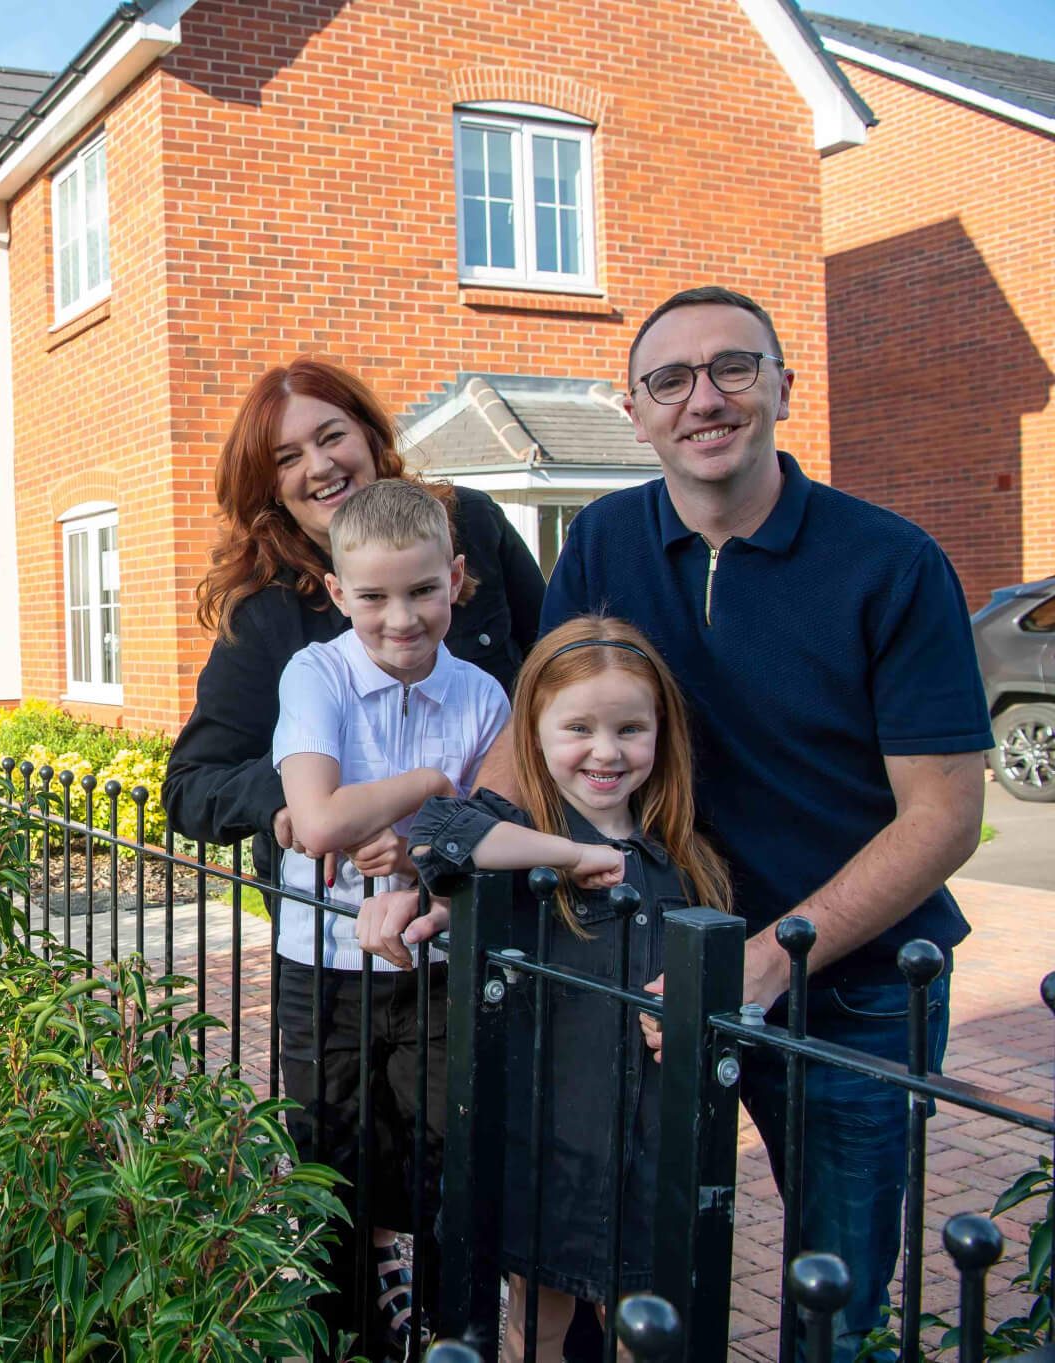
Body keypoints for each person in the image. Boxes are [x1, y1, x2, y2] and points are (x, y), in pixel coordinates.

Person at [535, 286, 990, 1360]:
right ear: (634, 413)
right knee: (632, 1260)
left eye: (732, 367)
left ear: (782, 385)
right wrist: (440, 859)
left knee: (834, 1298)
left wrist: (772, 957)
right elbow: (539, 733)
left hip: (852, 988)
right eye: (670, 379)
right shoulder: (601, 541)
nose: (704, 398)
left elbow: (945, 815)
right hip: (653, 974)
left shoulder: (891, 563)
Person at [164, 356, 545, 1358]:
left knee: (463, 1153)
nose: (317, 463)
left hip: (468, 921)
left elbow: (544, 688)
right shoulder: (271, 617)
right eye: (286, 456)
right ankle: (363, 1323)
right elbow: (192, 786)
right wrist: (302, 805)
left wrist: (446, 826)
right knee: (337, 1159)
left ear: (370, 434)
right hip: (329, 941)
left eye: (330, 434)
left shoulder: (470, 529)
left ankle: (454, 1328)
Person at [404, 616, 731, 1363]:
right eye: (578, 727)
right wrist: (572, 853)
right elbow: (438, 832)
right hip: (549, 1142)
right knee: (537, 1326)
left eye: (630, 729)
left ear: (662, 733)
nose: (606, 751)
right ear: (535, 732)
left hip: (650, 1148)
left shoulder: (683, 855)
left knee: (646, 1329)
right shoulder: (524, 841)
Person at [270, 478, 514, 1357]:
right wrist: (432, 787)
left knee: (445, 1153)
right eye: (373, 596)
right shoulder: (317, 673)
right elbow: (321, 821)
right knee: (330, 1154)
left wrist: (416, 848)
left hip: (435, 963)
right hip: (323, 963)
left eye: (422, 590)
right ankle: (343, 1336)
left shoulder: (485, 698)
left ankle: (448, 1334)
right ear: (339, 593)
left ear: (457, 579)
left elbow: (494, 834)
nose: (400, 618)